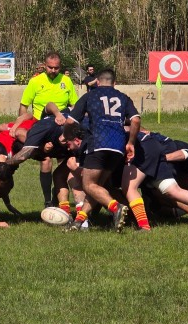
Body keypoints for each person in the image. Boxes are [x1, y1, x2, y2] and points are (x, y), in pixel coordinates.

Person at [63, 68, 140, 233]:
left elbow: (70, 122)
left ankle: (116, 207)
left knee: (88, 184)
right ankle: (78, 222)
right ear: (114, 83)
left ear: (97, 82)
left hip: (97, 143)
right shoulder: (123, 97)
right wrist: (131, 143)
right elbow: (135, 121)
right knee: (97, 186)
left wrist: (66, 137)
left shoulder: (90, 96)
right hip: (118, 147)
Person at [11, 52, 78, 208]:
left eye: (57, 68)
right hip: (41, 127)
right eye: (50, 67)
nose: (54, 70)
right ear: (44, 65)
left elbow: (74, 104)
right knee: (46, 160)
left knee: (65, 161)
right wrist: (25, 126)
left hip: (61, 127)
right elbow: (24, 106)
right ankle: (48, 200)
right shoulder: (35, 81)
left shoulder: (66, 81)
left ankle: (60, 195)